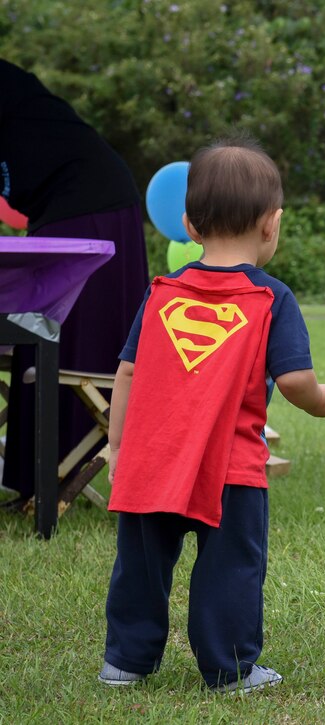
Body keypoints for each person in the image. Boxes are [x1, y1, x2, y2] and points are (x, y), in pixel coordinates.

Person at [99, 137, 325, 694]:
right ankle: (229, 668)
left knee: (139, 567)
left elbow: (129, 373)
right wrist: (323, 399)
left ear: (188, 224)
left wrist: (118, 448)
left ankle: (126, 661)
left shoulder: (162, 293)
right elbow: (294, 381)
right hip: (230, 469)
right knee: (230, 568)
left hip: (153, 459)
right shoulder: (270, 298)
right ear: (271, 224)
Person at [0, 58, 149, 504]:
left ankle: (50, 483)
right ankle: (38, 482)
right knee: (37, 337)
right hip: (65, 207)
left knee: (60, 341)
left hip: (90, 209)